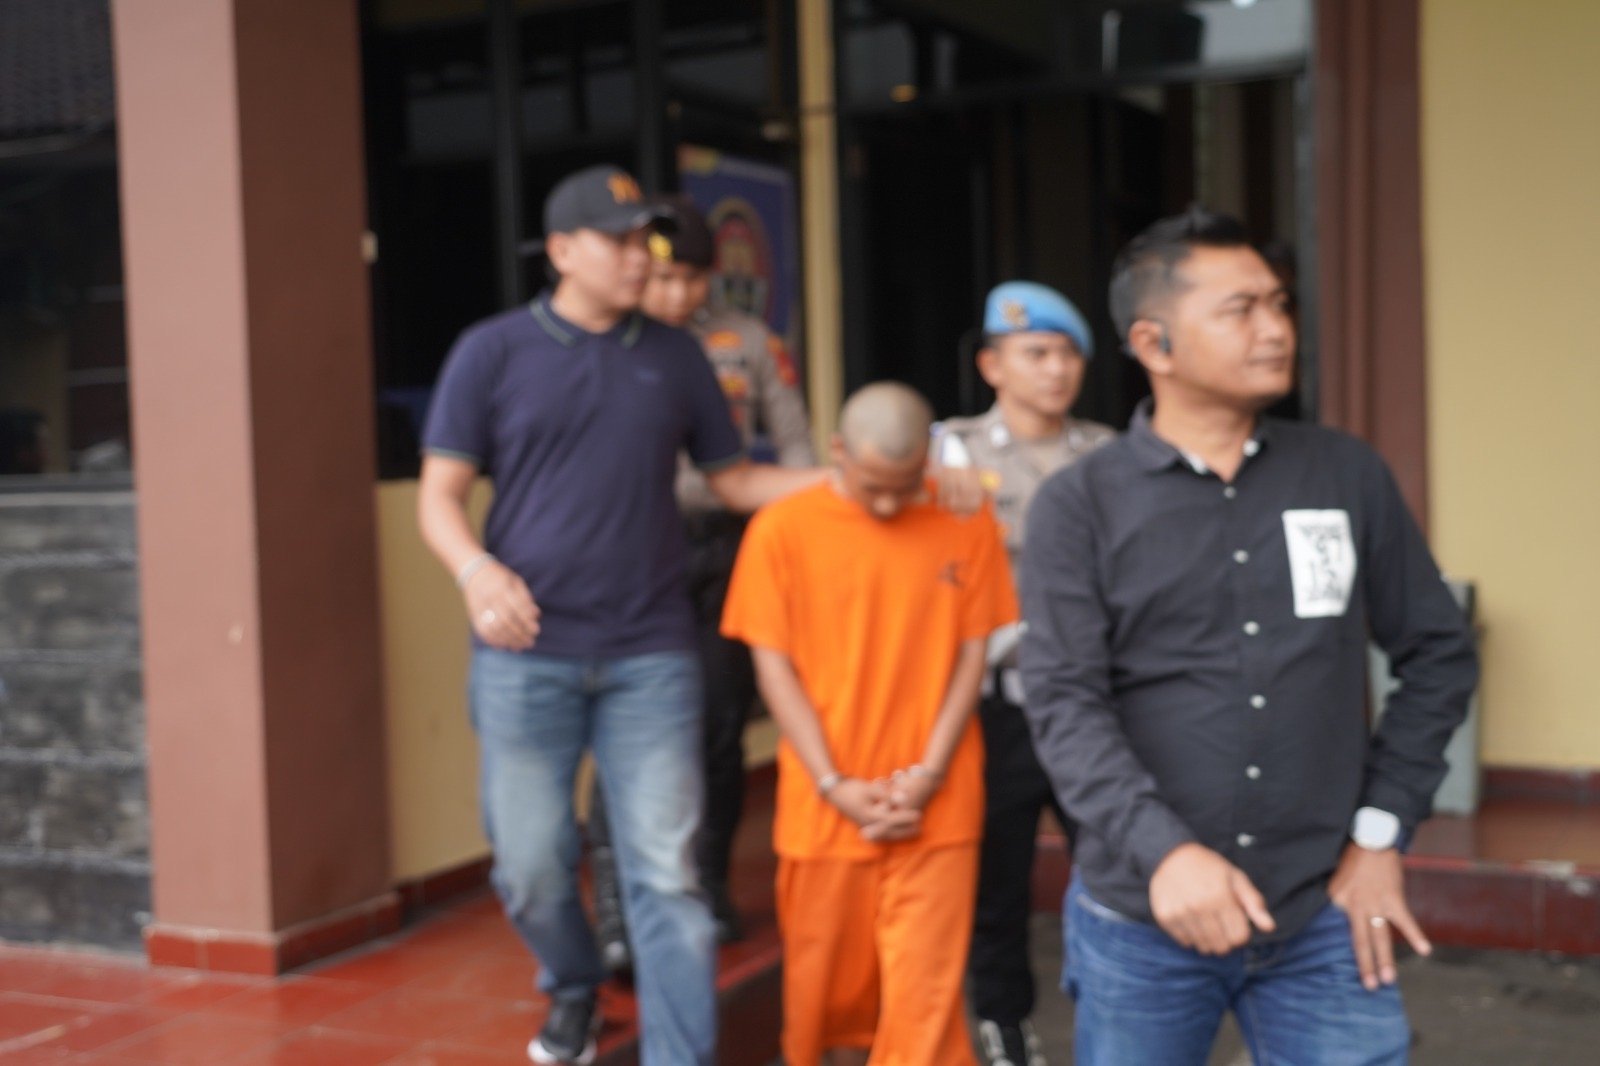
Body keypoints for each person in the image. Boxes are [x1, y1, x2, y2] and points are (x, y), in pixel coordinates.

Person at [1019, 206, 1479, 1065]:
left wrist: (1380, 834)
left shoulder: (1344, 473)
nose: (1275, 329)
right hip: (1145, 916)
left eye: (1278, 304)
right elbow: (1064, 702)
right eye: (1240, 310)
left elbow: (1439, 654)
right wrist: (1166, 852)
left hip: (1322, 910)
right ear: (1153, 343)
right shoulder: (1081, 506)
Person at [416, 164, 821, 1066]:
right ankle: (573, 986)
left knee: (668, 877)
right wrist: (476, 572)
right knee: (530, 868)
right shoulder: (492, 351)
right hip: (527, 651)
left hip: (651, 655)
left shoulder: (677, 356)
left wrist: (850, 483)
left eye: (647, 241)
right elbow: (439, 496)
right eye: (620, 242)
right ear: (563, 251)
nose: (641, 257)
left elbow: (734, 482)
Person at [721, 382, 1019, 1066]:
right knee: (821, 1004)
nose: (888, 505)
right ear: (837, 451)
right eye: (872, 487)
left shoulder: (962, 516)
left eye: (904, 487)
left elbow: (972, 657)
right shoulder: (782, 529)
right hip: (825, 808)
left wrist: (929, 776)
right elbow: (774, 671)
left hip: (937, 806)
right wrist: (834, 784)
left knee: (926, 1007)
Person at [587, 196, 815, 970]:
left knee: (718, 725)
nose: (676, 294)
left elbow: (793, 448)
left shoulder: (748, 342)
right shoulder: (611, 341)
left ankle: (708, 884)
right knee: (623, 723)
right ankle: (616, 910)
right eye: (663, 278)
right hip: (633, 547)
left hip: (725, 548)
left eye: (691, 279)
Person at [936, 281, 1113, 1066]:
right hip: (998, 702)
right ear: (992, 365)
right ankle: (1004, 1027)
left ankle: (1118, 1014)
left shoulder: (1110, 453)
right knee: (996, 877)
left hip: (1094, 697)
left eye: (1068, 353)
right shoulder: (950, 452)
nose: (1056, 369)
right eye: (1036, 353)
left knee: (1114, 862)